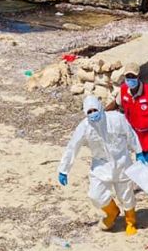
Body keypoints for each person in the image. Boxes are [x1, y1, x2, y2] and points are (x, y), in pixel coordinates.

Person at [58, 96, 141, 236]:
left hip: (121, 162)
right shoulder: (84, 127)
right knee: (95, 194)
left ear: (101, 108)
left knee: (126, 195)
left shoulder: (117, 119)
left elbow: (130, 134)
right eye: (89, 112)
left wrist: (139, 152)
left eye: (94, 110)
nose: (93, 114)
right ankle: (112, 212)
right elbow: (73, 147)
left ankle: (130, 222)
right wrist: (64, 169)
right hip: (100, 165)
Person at [105, 62, 148, 217]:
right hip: (135, 138)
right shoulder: (124, 91)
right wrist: (100, 113)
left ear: (138, 77)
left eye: (133, 77)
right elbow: (115, 104)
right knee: (144, 169)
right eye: (127, 77)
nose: (130, 79)